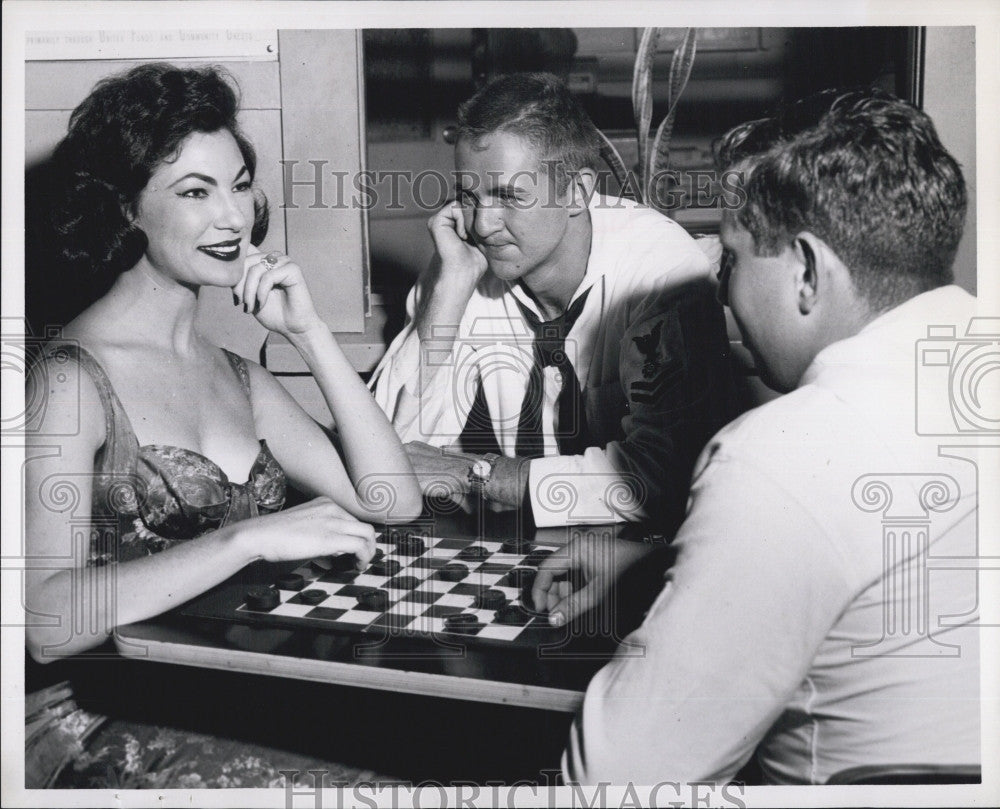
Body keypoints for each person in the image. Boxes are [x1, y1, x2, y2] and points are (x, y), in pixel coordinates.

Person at [533, 89, 982, 784]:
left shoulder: (781, 452)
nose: (720, 289)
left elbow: (613, 780)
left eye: (733, 259)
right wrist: (652, 565)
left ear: (805, 269)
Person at [23, 63, 422, 785]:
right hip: (90, 720)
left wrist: (309, 333)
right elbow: (47, 624)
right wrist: (249, 537)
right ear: (124, 210)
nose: (234, 217)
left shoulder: (238, 373)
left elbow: (393, 500)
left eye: (239, 184)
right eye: (195, 192)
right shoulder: (68, 380)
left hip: (218, 697)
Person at [371, 72, 742, 529]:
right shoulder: (466, 262)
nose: (483, 224)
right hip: (535, 558)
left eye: (508, 197)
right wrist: (448, 292)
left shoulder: (662, 274)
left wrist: (478, 475)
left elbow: (663, 474)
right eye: (468, 197)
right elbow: (383, 461)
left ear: (577, 192)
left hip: (642, 559)